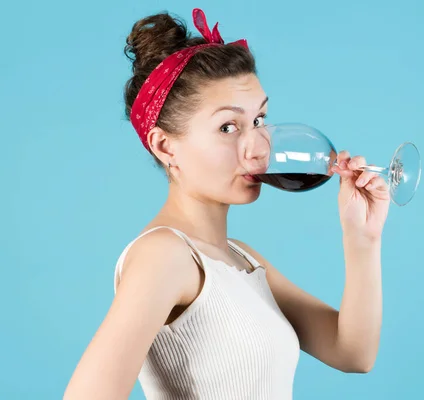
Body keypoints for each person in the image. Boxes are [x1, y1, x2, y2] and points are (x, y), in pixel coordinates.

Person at [64, 7, 390, 400]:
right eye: (227, 127)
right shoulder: (164, 255)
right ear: (165, 146)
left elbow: (352, 352)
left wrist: (363, 238)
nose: (258, 147)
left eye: (258, 120)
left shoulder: (241, 258)